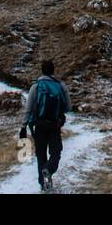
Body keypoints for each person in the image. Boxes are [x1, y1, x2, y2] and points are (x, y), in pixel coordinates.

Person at [19, 59, 70, 191]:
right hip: (54, 126)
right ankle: (49, 169)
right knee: (56, 153)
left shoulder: (36, 87)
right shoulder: (60, 86)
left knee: (41, 155)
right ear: (54, 70)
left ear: (42, 70)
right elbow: (68, 107)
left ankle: (44, 185)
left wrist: (23, 126)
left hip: (39, 126)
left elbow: (28, 109)